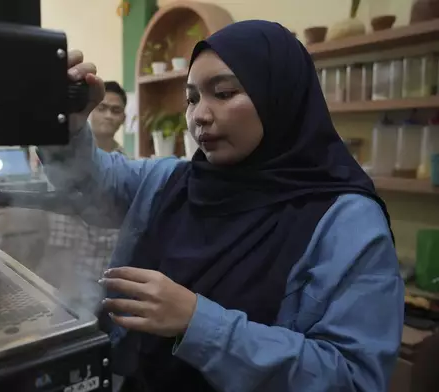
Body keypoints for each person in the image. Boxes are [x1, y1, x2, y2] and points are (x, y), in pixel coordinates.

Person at [39, 20, 404, 392]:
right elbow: (92, 182)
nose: (199, 115)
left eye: (225, 93)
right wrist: (65, 125)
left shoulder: (347, 222)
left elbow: (354, 379)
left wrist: (198, 323)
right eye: (192, 98)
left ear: (279, 96)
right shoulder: (174, 181)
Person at [39, 81, 128, 312]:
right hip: (80, 285)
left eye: (116, 110)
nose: (109, 115)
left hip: (118, 281)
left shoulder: (129, 165)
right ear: (89, 112)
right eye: (102, 108)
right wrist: (71, 299)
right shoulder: (69, 166)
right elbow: (63, 243)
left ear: (124, 119)